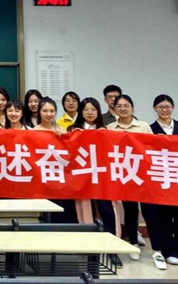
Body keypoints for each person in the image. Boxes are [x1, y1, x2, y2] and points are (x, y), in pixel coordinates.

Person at [68, 97, 122, 267]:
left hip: (102, 179)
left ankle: (113, 249)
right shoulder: (72, 130)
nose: (89, 113)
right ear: (81, 112)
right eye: (86, 110)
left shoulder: (106, 130)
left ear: (98, 111)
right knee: (86, 212)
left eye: (93, 109)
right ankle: (89, 246)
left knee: (108, 211)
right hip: (82, 178)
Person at [107, 94, 155, 265]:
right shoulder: (110, 128)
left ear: (132, 108)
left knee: (149, 212)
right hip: (124, 175)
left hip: (143, 175)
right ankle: (133, 243)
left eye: (126, 105)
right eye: (119, 106)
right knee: (130, 211)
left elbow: (153, 147)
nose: (123, 109)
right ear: (114, 109)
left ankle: (156, 249)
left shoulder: (143, 126)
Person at [150, 94, 178, 268]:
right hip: (160, 179)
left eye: (167, 107)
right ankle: (169, 251)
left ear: (173, 108)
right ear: (155, 109)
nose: (164, 110)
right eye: (160, 107)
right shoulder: (150, 129)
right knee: (165, 218)